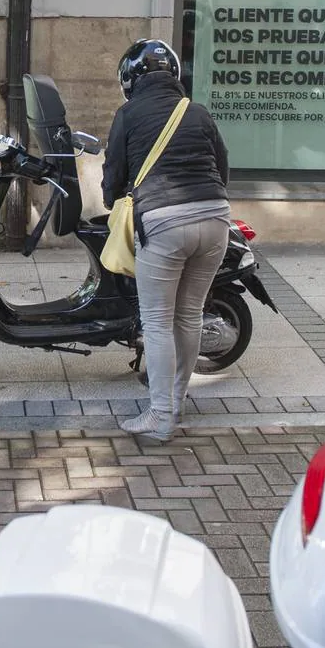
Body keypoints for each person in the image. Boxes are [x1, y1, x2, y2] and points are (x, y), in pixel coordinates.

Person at [102, 39, 230, 441]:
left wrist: (115, 199)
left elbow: (114, 174)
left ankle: (159, 416)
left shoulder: (127, 114)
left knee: (157, 322)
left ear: (130, 79)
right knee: (189, 315)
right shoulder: (198, 112)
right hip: (215, 219)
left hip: (163, 222)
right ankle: (175, 401)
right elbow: (223, 167)